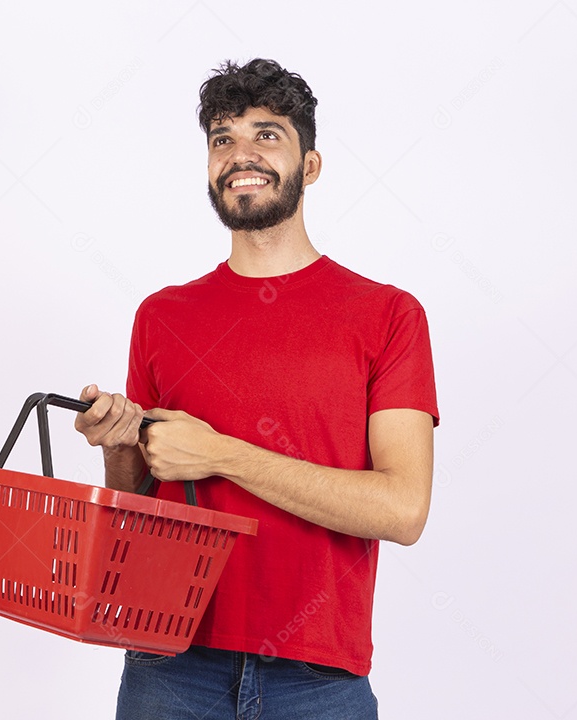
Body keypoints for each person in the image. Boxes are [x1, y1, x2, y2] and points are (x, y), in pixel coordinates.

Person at [74, 58, 439, 720]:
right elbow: (139, 511)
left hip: (318, 679)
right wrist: (119, 445)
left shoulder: (388, 316)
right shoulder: (162, 316)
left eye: (267, 134)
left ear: (312, 165)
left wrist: (224, 455)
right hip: (169, 668)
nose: (241, 154)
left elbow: (402, 509)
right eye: (223, 139)